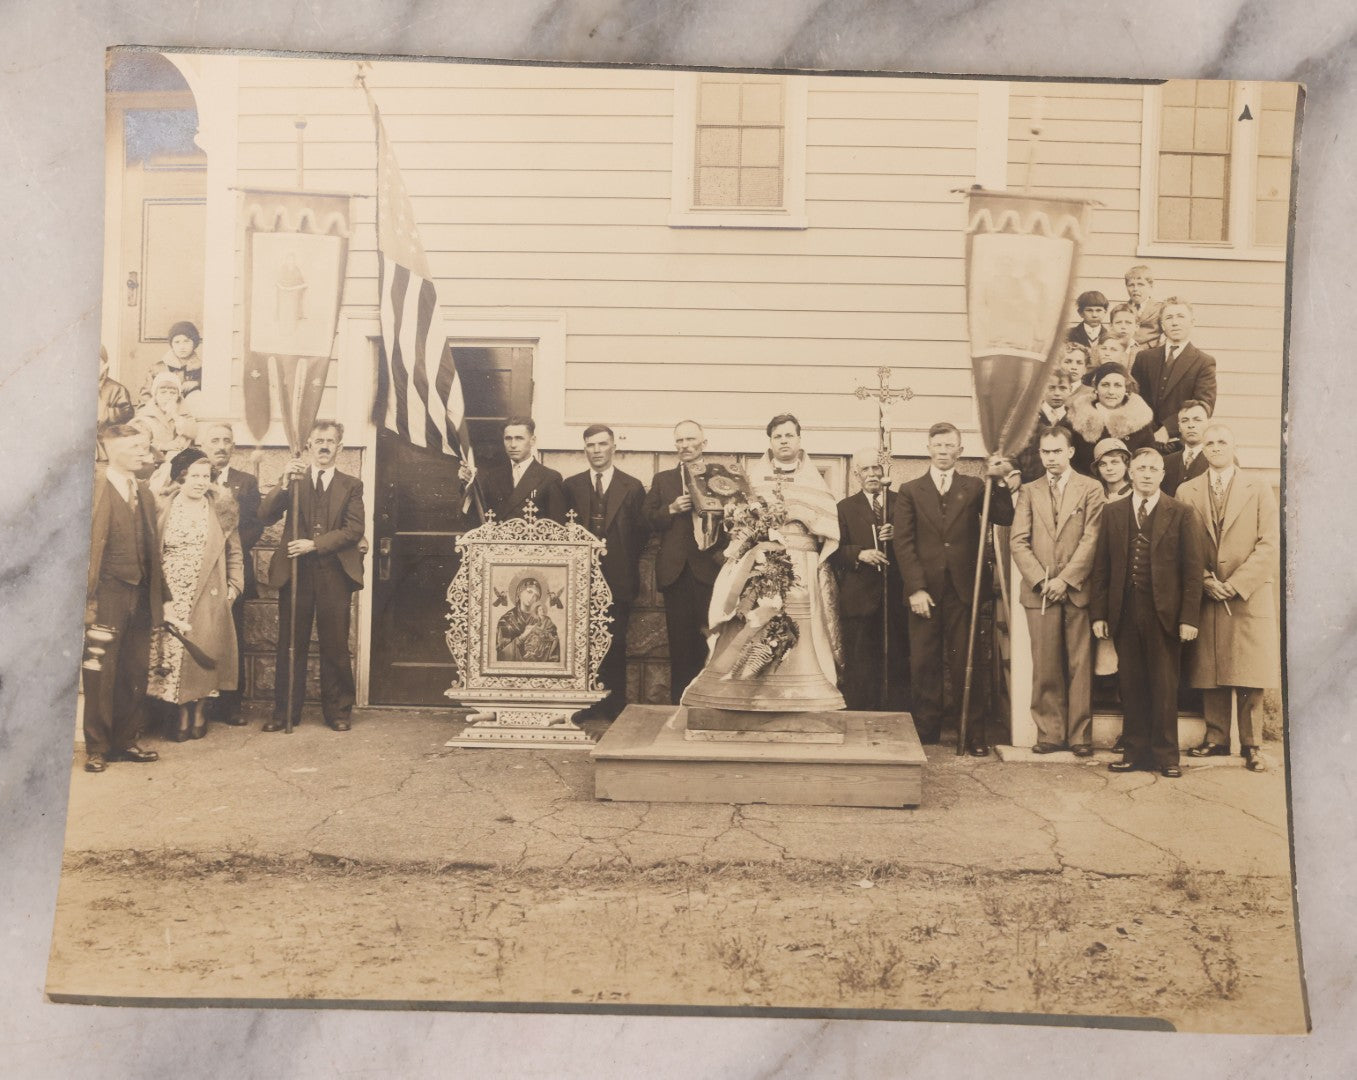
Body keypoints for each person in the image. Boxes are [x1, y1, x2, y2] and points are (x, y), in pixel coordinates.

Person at [683, 414, 844, 711]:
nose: (784, 441)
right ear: (770, 441)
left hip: (802, 563)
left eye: (789, 435)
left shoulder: (813, 480)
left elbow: (828, 524)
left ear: (799, 439)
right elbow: (738, 517)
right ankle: (750, 689)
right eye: (778, 436)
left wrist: (802, 515)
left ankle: (808, 689)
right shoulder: (754, 479)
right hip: (763, 561)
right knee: (754, 618)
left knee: (805, 623)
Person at [893, 422, 1017, 753]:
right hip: (925, 592)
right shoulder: (910, 490)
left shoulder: (975, 486)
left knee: (967, 661)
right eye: (938, 445)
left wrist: (1000, 479)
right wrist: (916, 589)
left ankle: (973, 733)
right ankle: (926, 729)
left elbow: (1004, 516)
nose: (944, 451)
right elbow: (903, 544)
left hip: (965, 591)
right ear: (928, 448)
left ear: (960, 451)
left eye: (950, 446)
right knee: (924, 661)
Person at [1091, 448, 1206, 777]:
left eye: (1153, 468)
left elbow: (1192, 572)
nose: (1146, 474)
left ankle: (1167, 756)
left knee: (1164, 685)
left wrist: (1188, 618)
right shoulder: (1112, 513)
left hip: (1165, 615)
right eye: (1140, 468)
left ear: (1162, 475)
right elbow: (1102, 568)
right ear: (1130, 473)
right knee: (1131, 684)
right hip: (1125, 613)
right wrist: (1099, 615)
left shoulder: (1180, 512)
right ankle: (1134, 752)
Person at [1178, 424, 1280, 773]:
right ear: (1202, 449)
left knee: (1248, 671)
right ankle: (1216, 738)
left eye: (1222, 441)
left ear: (1234, 446)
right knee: (1212, 667)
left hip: (1247, 595)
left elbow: (1269, 544)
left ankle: (1252, 745)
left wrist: (1235, 583)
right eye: (1210, 442)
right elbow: (1182, 545)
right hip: (1208, 593)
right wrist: (1205, 579)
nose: (1216, 447)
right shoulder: (1186, 490)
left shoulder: (1259, 488)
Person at [259, 421, 365, 732]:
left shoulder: (351, 485)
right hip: (296, 573)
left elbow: (354, 529)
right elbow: (265, 515)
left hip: (333, 572)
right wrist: (282, 481)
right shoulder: (295, 480)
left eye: (330, 441)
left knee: (334, 644)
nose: (323, 446)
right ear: (308, 446)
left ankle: (338, 712)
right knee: (290, 643)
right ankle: (285, 712)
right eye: (318, 441)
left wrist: (314, 545)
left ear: (339, 448)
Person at [1010, 427, 1106, 755]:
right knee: (1046, 663)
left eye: (1056, 451)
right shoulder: (1029, 491)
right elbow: (1018, 540)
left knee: (1080, 663)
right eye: (1045, 452)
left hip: (1077, 589)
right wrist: (1041, 580)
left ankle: (1080, 736)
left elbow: (1093, 537)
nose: (1050, 458)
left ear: (1070, 452)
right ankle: (1050, 732)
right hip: (1040, 592)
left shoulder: (1091, 489)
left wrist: (1066, 579)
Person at [82, 424, 171, 773]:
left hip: (140, 594)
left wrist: (163, 598)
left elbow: (153, 552)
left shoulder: (145, 493)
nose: (143, 452)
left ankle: (125, 740)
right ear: (111, 448)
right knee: (101, 672)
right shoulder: (93, 488)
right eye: (135, 446)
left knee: (134, 669)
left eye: (145, 446)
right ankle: (97, 747)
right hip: (106, 594)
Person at [146, 447, 244, 741]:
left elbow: (234, 552)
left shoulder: (221, 509)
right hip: (170, 592)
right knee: (173, 653)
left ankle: (199, 710)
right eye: (194, 476)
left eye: (206, 476)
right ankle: (180, 712)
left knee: (203, 650)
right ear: (181, 477)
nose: (201, 482)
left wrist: (233, 588)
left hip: (207, 591)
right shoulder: (162, 507)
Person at [563, 423, 648, 720]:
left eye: (602, 444)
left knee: (615, 640)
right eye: (590, 445)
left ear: (614, 447)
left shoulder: (632, 486)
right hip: (578, 578)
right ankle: (582, 703)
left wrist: (621, 562)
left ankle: (614, 705)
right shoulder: (571, 486)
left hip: (618, 577)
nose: (596, 451)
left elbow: (640, 535)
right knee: (578, 639)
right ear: (584, 449)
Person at [642, 420, 726, 704]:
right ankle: (680, 706)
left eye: (691, 440)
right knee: (679, 645)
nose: (685, 446)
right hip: (675, 572)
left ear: (704, 443)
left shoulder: (720, 477)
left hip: (710, 570)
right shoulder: (662, 480)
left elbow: (737, 518)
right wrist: (672, 509)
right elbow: (647, 519)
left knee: (712, 641)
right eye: (680, 441)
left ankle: (709, 703)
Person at [196, 422, 263, 725]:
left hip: (230, 568)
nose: (221, 446)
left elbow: (252, 526)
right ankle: (195, 702)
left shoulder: (245, 482)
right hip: (197, 571)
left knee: (232, 636)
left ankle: (230, 706)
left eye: (227, 440)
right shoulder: (191, 478)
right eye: (214, 440)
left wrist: (223, 552)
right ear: (202, 444)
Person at [833, 447, 909, 711]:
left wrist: (898, 534)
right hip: (860, 598)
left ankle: (897, 715)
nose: (872, 474)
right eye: (865, 469)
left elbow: (920, 543)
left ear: (885, 471)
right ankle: (861, 715)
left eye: (876, 468)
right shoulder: (844, 508)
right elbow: (833, 551)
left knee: (898, 658)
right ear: (856, 474)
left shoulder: (902, 502)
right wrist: (860, 554)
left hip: (897, 596)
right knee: (861, 661)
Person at [1130, 297, 1217, 444]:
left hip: (1181, 441)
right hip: (1143, 437)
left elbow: (1204, 404)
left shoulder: (1204, 362)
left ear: (1192, 323)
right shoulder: (1144, 358)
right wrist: (1148, 432)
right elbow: (1133, 398)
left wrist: (1167, 430)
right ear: (1163, 325)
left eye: (1181, 317)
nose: (1175, 323)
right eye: (1169, 318)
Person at [459, 416, 566, 524]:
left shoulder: (549, 478)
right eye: (508, 438)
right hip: (498, 540)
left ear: (532, 440)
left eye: (519, 438)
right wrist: (468, 483)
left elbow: (557, 526)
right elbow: (477, 516)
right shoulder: (493, 477)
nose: (513, 445)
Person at [1066, 361, 1155, 476]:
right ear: (1096, 388)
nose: (1111, 392)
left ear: (1126, 389)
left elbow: (1149, 460)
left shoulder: (1140, 420)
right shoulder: (1077, 417)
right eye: (1105, 385)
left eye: (1117, 385)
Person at [1012, 369, 1076, 484]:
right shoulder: (1027, 418)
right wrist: (1014, 472)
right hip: (1030, 482)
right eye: (1051, 388)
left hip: (1064, 485)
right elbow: (1012, 451)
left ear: (1070, 390)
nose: (1057, 393)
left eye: (1063, 388)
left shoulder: (1074, 420)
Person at [138, 320, 203, 412]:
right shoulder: (158, 368)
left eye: (186, 341)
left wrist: (197, 383)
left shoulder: (201, 368)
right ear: (172, 344)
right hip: (161, 413)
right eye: (177, 342)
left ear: (194, 343)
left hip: (188, 413)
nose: (182, 346)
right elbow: (146, 396)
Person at [495, 577, 562, 663]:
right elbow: (501, 655)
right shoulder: (506, 620)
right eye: (529, 592)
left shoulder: (544, 621)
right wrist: (522, 637)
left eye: (536, 595)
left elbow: (554, 653)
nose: (532, 597)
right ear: (519, 592)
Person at [135, 371, 196, 463]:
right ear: (155, 395)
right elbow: (139, 442)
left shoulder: (183, 412)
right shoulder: (145, 414)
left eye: (172, 393)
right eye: (163, 392)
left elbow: (193, 432)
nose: (168, 396)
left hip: (178, 459)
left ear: (178, 396)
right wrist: (163, 446)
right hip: (152, 460)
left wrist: (175, 415)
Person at [1161, 400, 1212, 496]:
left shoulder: (1218, 460)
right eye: (1185, 420)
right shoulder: (1166, 462)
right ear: (1179, 427)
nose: (1191, 425)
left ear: (1208, 424)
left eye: (1197, 420)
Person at [96, 346, 134, 462]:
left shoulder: (116, 388)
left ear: (105, 365)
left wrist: (107, 413)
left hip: (105, 441)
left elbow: (128, 413)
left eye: (98, 362)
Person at [1123, 265, 1165, 347]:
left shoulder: (1160, 309)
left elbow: (1165, 336)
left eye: (1140, 285)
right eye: (1131, 285)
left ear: (1150, 286)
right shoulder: (1122, 310)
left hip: (1151, 353)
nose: (1135, 289)